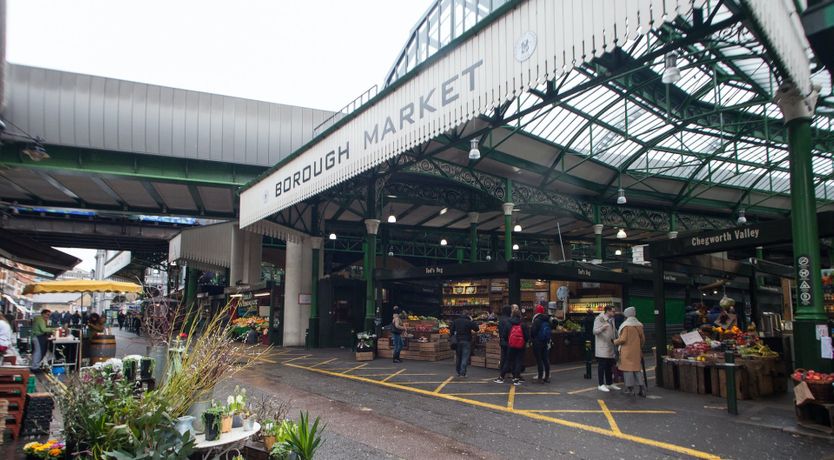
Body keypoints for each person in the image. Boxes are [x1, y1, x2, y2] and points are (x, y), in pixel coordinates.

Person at [614, 306, 646, 397]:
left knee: (628, 370)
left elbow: (623, 339)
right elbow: (643, 339)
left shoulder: (626, 325)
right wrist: (639, 347)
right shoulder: (639, 325)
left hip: (626, 351)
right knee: (637, 370)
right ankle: (642, 388)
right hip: (636, 351)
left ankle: (630, 389)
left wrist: (614, 341)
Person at [593, 305, 619, 392]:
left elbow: (614, 330)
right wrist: (602, 328)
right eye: (613, 311)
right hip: (602, 346)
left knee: (609, 366)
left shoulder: (612, 320)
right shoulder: (599, 319)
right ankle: (601, 384)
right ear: (607, 311)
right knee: (602, 366)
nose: (614, 313)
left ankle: (609, 383)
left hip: (610, 346)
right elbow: (595, 331)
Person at [451, 310, 479, 378]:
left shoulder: (456, 321)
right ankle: (462, 373)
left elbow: (451, 331)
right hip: (466, 341)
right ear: (467, 315)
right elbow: (476, 329)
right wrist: (472, 320)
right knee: (464, 358)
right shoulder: (468, 321)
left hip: (457, 341)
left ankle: (458, 372)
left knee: (458, 357)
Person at [506, 310, 529, 386]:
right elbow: (526, 335)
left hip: (511, 344)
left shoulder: (509, 322)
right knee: (519, 361)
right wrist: (525, 341)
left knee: (511, 360)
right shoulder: (522, 323)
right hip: (520, 344)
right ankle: (516, 378)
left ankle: (512, 375)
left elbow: (506, 333)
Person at [530, 305, 552, 383]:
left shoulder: (537, 320)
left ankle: (540, 378)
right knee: (545, 359)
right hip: (545, 341)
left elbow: (533, 332)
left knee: (539, 360)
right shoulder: (547, 319)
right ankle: (547, 377)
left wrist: (532, 339)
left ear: (536, 311)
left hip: (537, 342)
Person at [493, 305, 513, 383]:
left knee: (503, 358)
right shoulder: (509, 320)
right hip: (509, 341)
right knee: (508, 359)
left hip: (502, 341)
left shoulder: (501, 319)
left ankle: (504, 374)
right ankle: (503, 375)